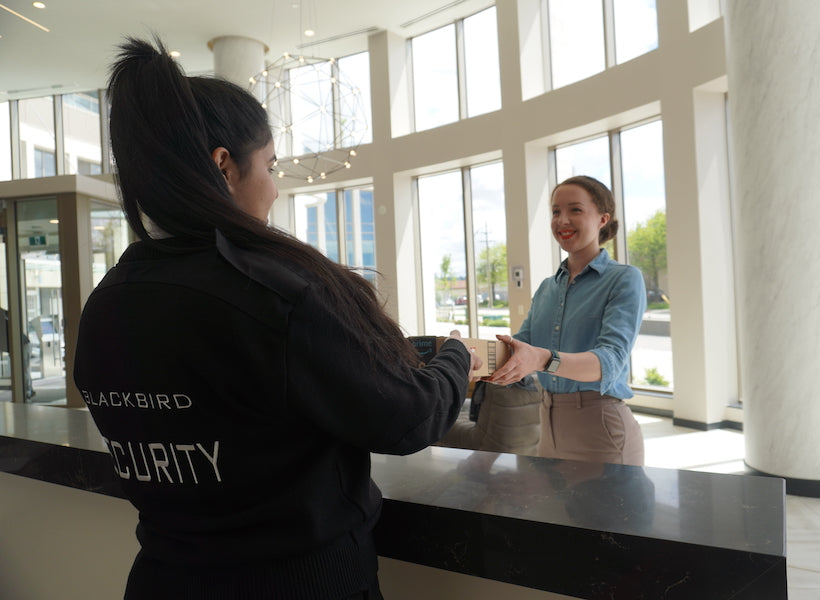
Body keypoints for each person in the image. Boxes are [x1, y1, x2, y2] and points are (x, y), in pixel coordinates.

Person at [73, 36, 480, 600]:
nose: (276, 186)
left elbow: (256, 383)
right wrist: (460, 355)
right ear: (225, 166)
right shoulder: (271, 295)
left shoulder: (107, 303)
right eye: (270, 164)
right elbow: (406, 417)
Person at [487, 175, 646, 465]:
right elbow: (521, 349)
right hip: (547, 428)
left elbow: (609, 361)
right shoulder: (548, 286)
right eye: (556, 211)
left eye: (575, 210)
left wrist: (543, 360)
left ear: (602, 219)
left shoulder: (624, 279)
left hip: (602, 431)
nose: (562, 220)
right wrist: (467, 356)